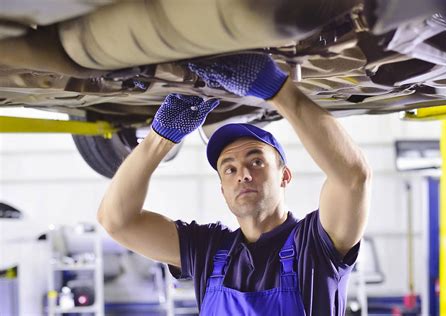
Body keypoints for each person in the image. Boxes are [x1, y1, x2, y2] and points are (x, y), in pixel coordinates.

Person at [97, 53, 372, 315]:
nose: (242, 174)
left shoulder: (314, 247)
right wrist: (160, 138)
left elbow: (352, 177)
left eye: (256, 162)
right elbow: (117, 221)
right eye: (229, 169)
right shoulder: (209, 250)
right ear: (222, 190)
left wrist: (278, 90)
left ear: (284, 176)